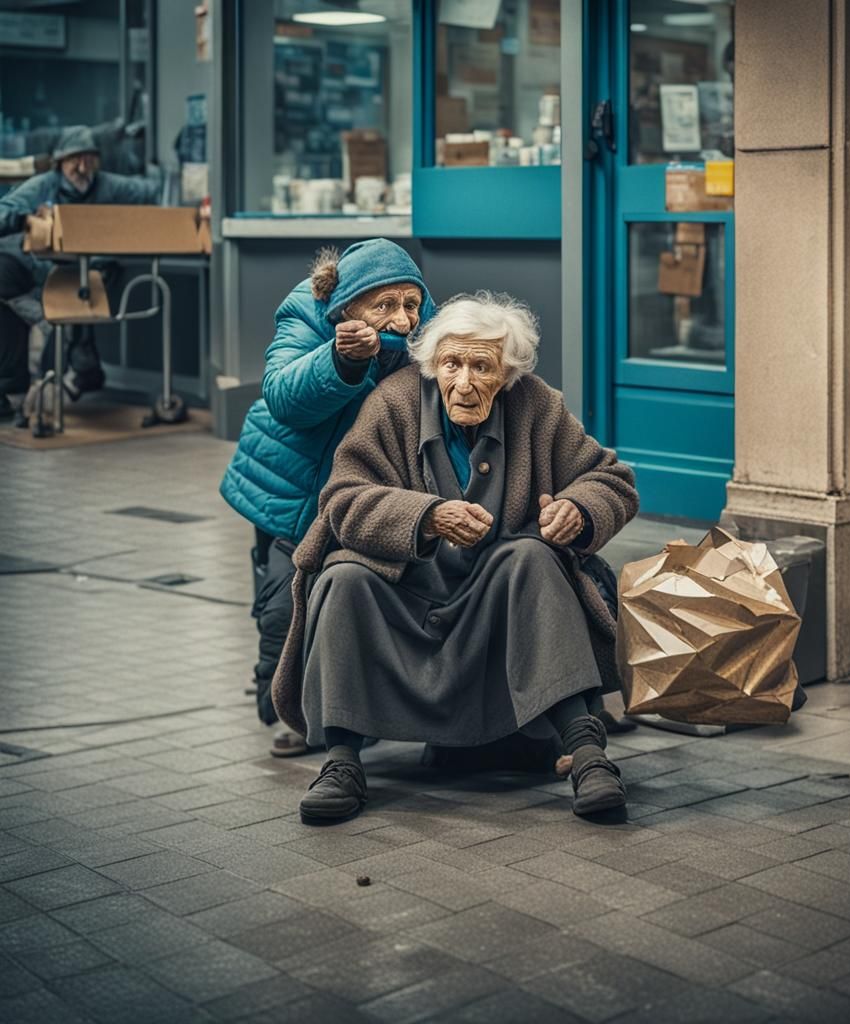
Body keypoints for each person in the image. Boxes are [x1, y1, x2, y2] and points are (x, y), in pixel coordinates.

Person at [272, 291, 639, 821]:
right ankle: (341, 761)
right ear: (432, 364)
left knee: (532, 558)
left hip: (496, 608)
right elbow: (341, 498)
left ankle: (587, 754)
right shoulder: (394, 402)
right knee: (343, 577)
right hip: (407, 599)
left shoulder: (536, 405)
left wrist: (580, 510)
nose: (464, 383)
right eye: (451, 364)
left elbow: (612, 480)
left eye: (481, 367)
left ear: (507, 373)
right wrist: (424, 516)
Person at [219, 239, 435, 756]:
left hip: (363, 496)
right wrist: (339, 361)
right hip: (292, 490)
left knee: (357, 600)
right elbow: (283, 396)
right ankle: (288, 709)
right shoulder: (308, 312)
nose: (403, 320)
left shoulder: (426, 325)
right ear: (348, 305)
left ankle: (350, 708)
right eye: (385, 306)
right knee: (281, 609)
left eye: (411, 304)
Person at [0, 125, 161, 418]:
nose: (83, 167)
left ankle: (74, 374)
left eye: (89, 158)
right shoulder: (42, 186)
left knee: (76, 305)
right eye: (75, 159)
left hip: (82, 273)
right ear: (61, 162)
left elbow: (151, 189)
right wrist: (24, 219)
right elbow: (3, 211)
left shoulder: (107, 185)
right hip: (30, 270)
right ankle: (36, 381)